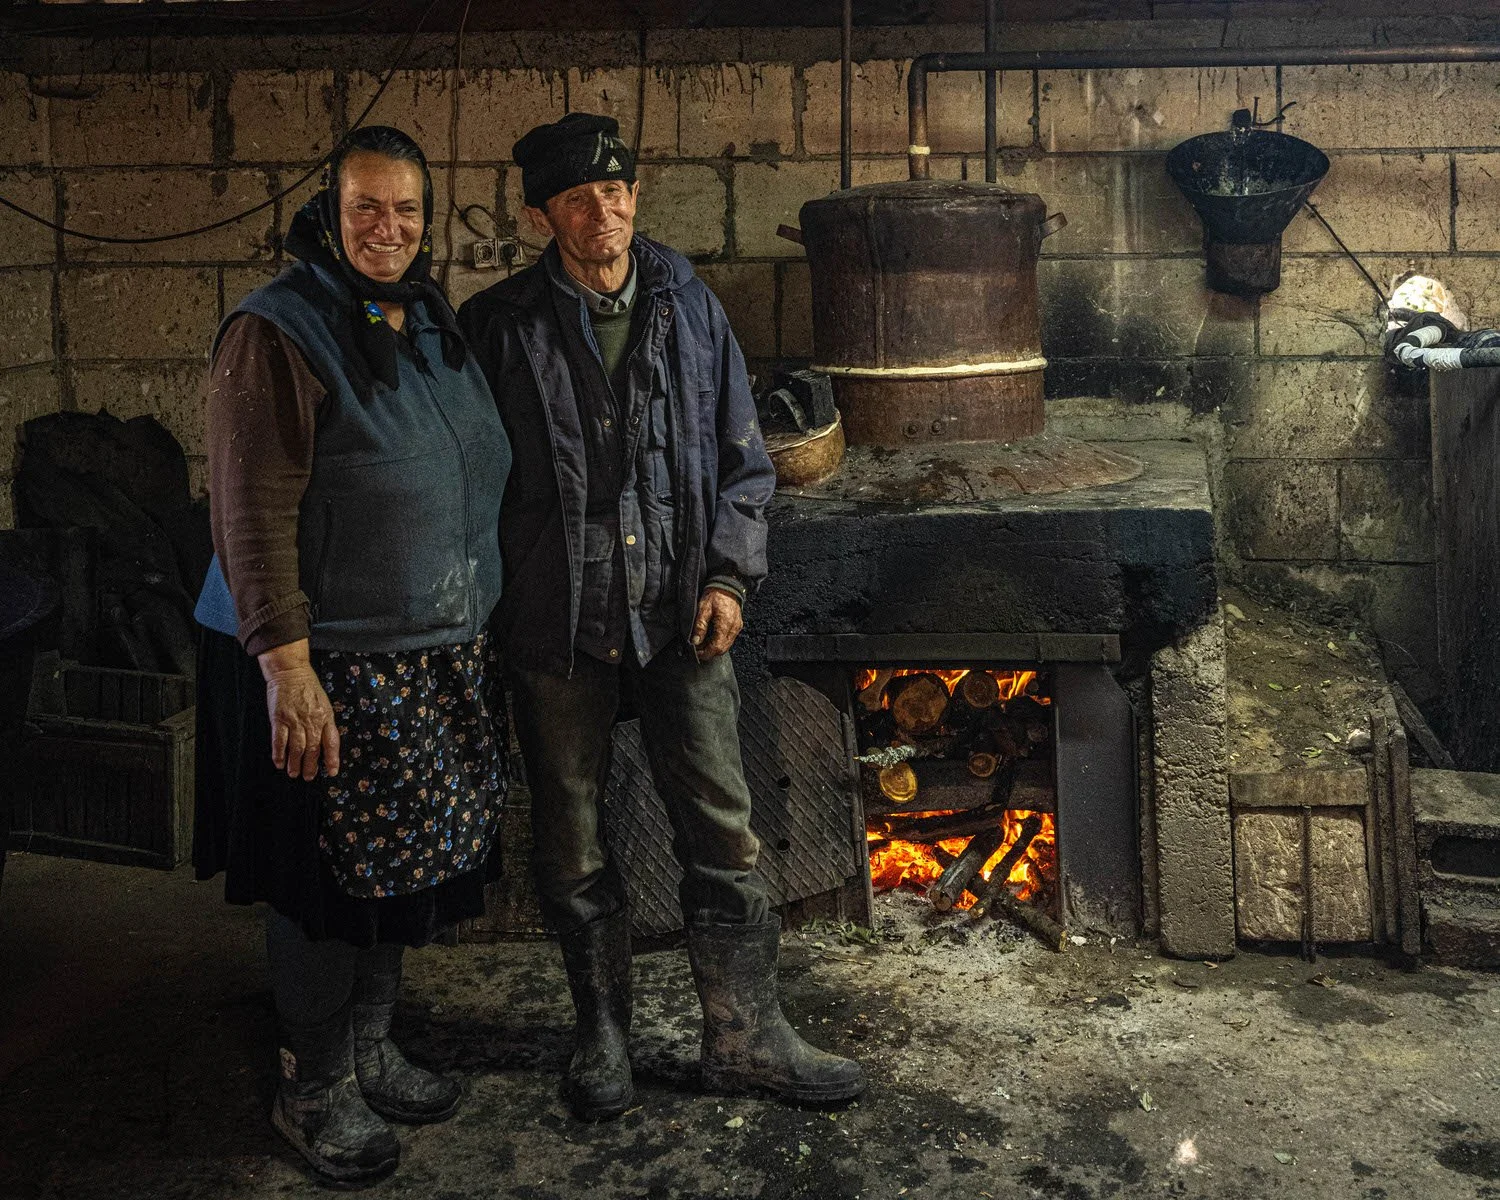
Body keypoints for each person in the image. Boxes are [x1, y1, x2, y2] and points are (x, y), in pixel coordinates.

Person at [458, 113, 863, 1121]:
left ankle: (745, 1034)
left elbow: (742, 462)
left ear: (637, 195)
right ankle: (603, 1036)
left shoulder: (689, 303)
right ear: (543, 213)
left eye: (619, 191)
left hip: (682, 612)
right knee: (574, 836)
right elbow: (471, 479)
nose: (607, 211)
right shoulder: (501, 326)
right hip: (555, 621)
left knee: (722, 827)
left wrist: (728, 580)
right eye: (581, 198)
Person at [192, 126, 511, 1185]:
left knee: (396, 871)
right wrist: (288, 667)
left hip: (423, 649)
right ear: (328, 215)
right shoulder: (278, 328)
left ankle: (372, 1049)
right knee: (325, 885)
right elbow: (250, 508)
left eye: (408, 210)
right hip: (323, 656)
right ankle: (312, 1082)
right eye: (366, 208)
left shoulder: (419, 318)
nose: (390, 228)